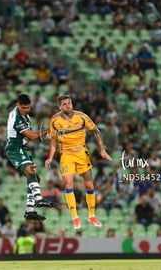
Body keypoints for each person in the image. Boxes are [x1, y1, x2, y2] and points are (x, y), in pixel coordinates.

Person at [45, 95, 112, 229]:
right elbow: (53, 140)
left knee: (89, 186)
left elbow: (95, 131)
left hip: (82, 153)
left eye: (69, 103)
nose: (68, 105)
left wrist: (102, 149)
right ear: (60, 107)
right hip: (66, 155)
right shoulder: (55, 120)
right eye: (64, 104)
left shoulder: (81, 116)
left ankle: (92, 215)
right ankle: (75, 218)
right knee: (68, 185)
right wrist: (50, 157)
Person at [6, 94, 57, 221]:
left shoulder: (25, 115)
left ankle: (29, 210)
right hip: (15, 148)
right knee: (30, 171)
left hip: (22, 147)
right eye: (23, 108)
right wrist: (49, 130)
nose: (26, 110)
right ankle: (38, 199)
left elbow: (31, 137)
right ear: (18, 105)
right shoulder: (17, 118)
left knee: (35, 178)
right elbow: (32, 136)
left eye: (28, 107)